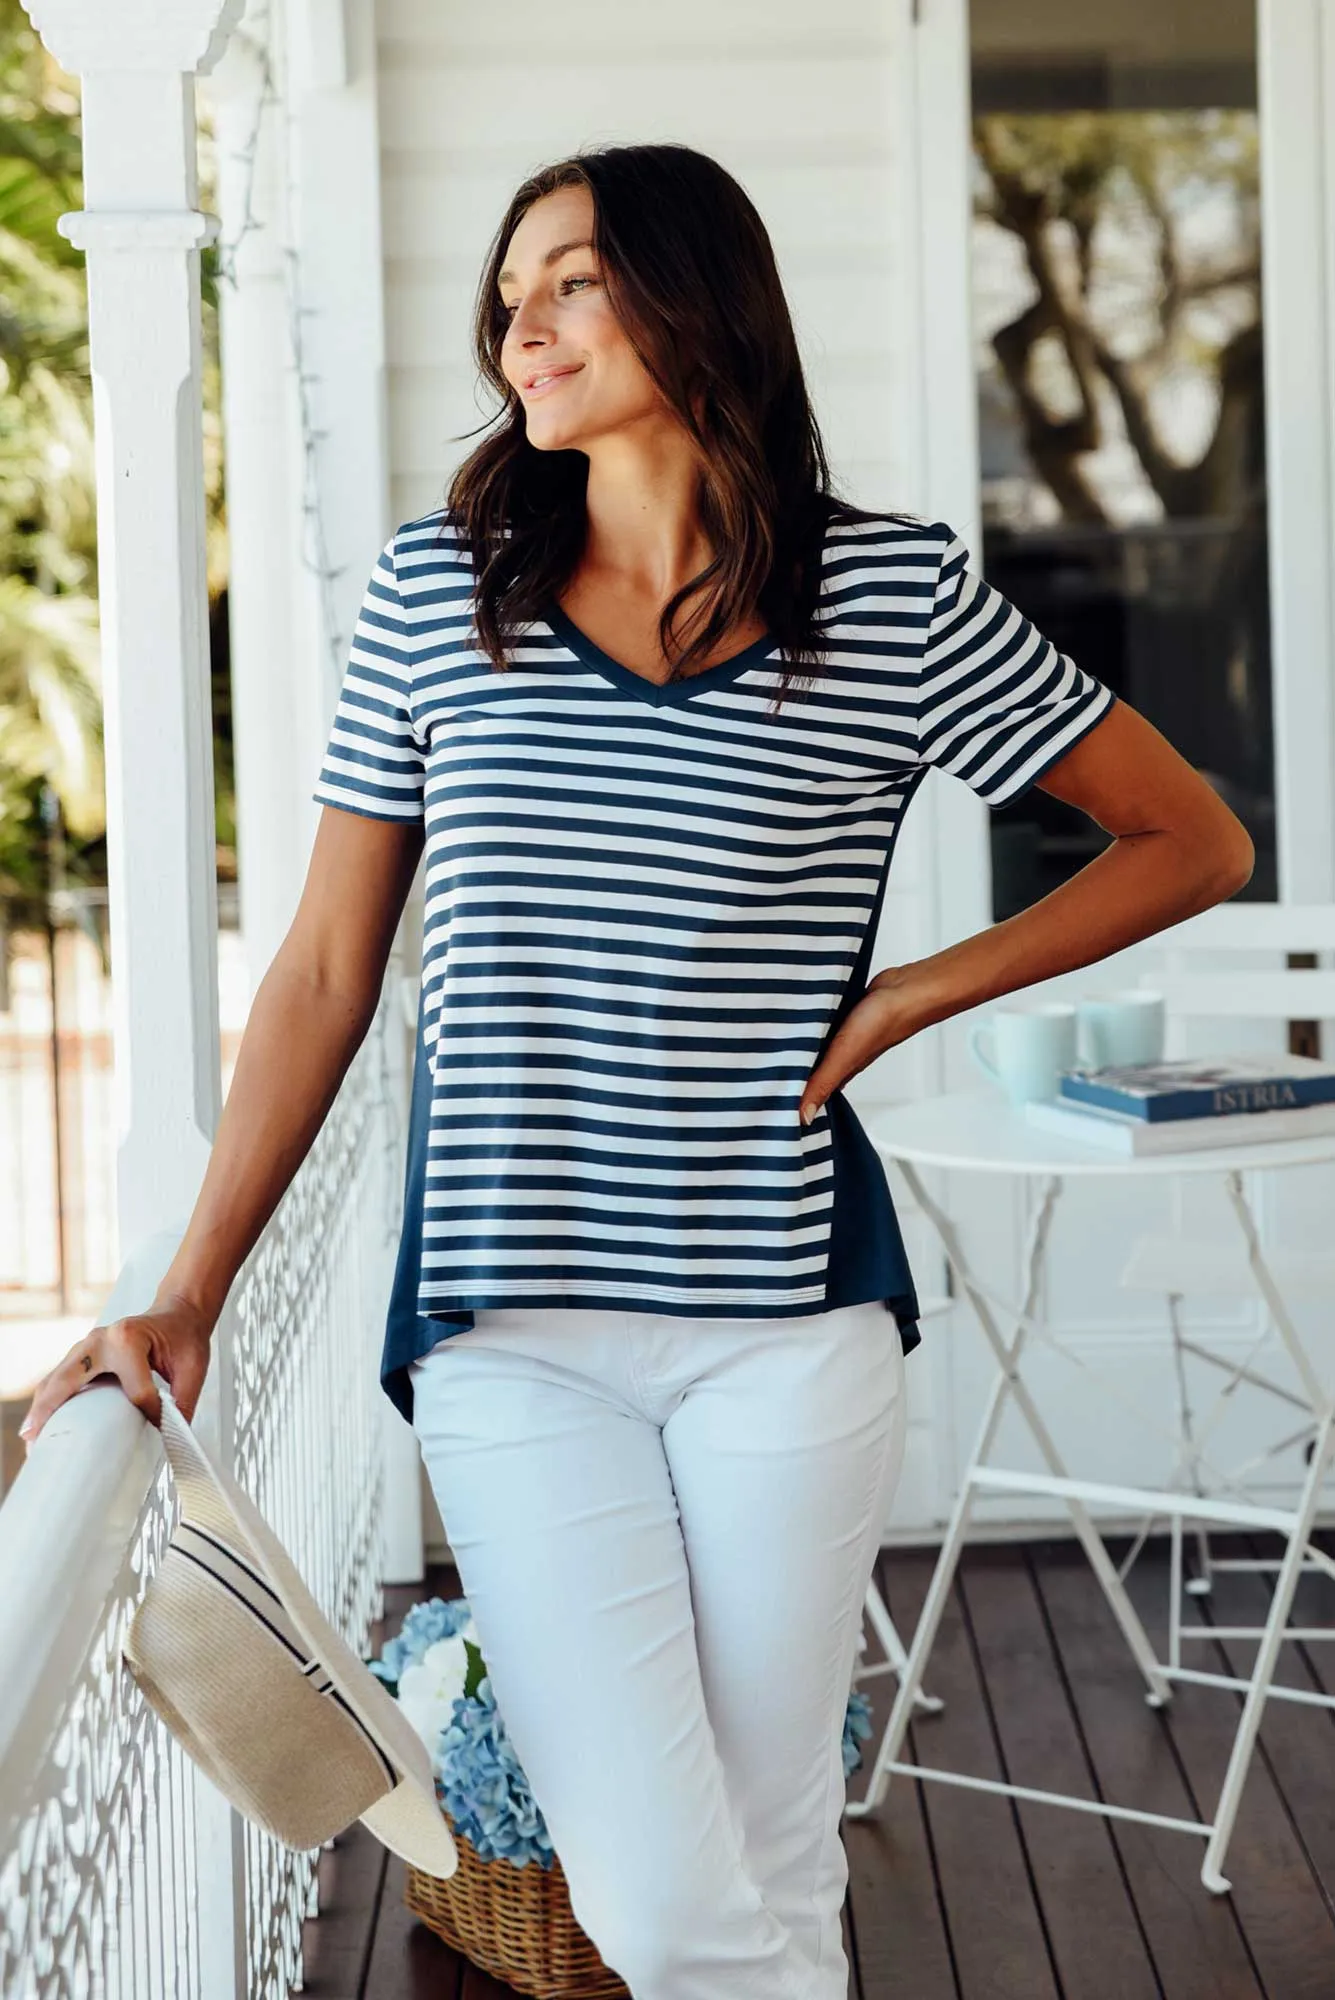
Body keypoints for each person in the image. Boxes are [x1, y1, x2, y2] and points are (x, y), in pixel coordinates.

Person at [21, 143, 1253, 1998]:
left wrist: (912, 994)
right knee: (668, 1908)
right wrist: (189, 1288)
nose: (519, 325)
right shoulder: (440, 595)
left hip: (788, 1322)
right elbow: (327, 971)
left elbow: (1189, 837)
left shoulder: (887, 599)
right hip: (513, 1337)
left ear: (697, 298)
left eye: (572, 280)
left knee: (773, 1863)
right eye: (507, 294)